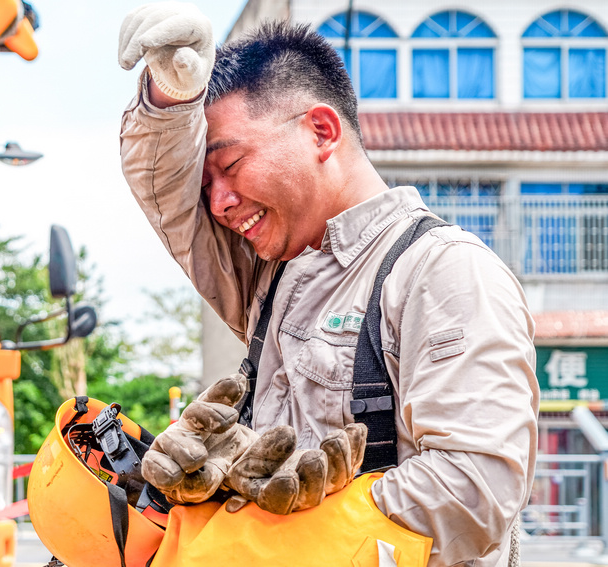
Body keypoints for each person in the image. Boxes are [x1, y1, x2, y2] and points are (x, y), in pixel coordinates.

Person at [118, 3, 539, 566]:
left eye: (232, 165)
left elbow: (473, 488)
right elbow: (168, 200)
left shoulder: (441, 273)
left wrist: (253, 544)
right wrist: (170, 103)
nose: (218, 203)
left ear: (321, 130)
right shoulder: (276, 276)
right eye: (207, 183)